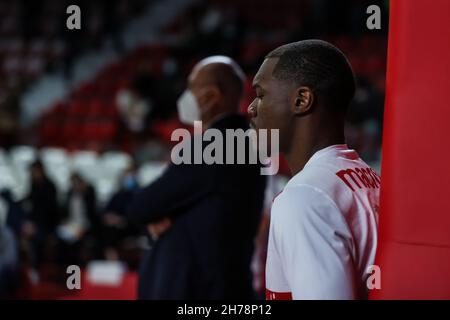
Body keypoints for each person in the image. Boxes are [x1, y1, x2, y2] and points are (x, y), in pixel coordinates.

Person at [248, 40, 380, 300]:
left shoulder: (304, 198)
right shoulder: (369, 177)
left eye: (261, 94)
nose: (251, 108)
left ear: (302, 100)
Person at [128, 56, 266, 299]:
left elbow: (141, 207)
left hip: (199, 290)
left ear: (211, 96)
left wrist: (162, 213)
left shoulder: (214, 145)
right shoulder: (248, 141)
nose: (185, 96)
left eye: (191, 88)